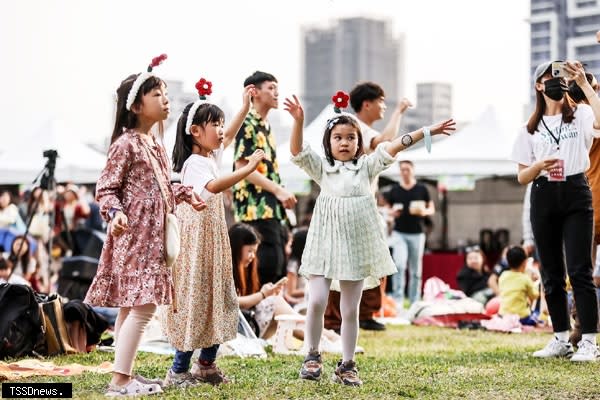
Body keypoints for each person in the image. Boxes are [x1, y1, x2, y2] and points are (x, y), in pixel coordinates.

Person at [284, 93, 455, 386]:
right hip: (324, 244)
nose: (345, 142)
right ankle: (312, 356)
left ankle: (347, 364)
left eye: (351, 137)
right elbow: (297, 150)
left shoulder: (366, 167)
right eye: (338, 137)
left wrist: (428, 131)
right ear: (329, 142)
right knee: (316, 302)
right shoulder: (322, 168)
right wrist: (298, 121)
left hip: (356, 247)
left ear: (358, 142)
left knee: (351, 310)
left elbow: (394, 145)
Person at [84, 55, 206, 396]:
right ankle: (119, 381)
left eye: (166, 93)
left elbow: (163, 185)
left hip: (154, 236)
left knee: (131, 307)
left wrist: (184, 194)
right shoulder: (125, 144)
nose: (166, 99)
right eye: (158, 94)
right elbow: (106, 189)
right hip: (135, 237)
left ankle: (124, 375)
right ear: (136, 105)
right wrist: (115, 213)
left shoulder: (155, 144)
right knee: (144, 306)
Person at [160, 79, 264, 387]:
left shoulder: (209, 156)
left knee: (220, 299)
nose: (220, 130)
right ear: (195, 132)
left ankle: (206, 365)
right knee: (196, 301)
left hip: (213, 241)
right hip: (196, 245)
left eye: (220, 123)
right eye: (214, 124)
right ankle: (179, 370)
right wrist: (249, 168)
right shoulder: (194, 163)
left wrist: (244, 107)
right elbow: (214, 187)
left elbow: (229, 136)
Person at [511, 60, 600, 361]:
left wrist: (585, 85)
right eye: (549, 76)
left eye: (559, 74)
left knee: (580, 270)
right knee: (550, 270)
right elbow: (522, 175)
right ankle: (560, 337)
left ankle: (589, 340)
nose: (555, 80)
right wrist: (538, 166)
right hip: (543, 191)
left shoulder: (582, 114)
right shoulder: (529, 127)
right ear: (538, 85)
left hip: (576, 190)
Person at [323, 82, 413, 332]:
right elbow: (385, 141)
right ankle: (339, 317)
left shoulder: (355, 127)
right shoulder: (355, 127)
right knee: (348, 262)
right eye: (382, 102)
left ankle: (362, 313)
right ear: (367, 104)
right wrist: (400, 110)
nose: (384, 106)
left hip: (362, 207)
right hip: (350, 207)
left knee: (369, 260)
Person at [232, 71, 297, 285]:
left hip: (271, 208)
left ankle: (271, 316)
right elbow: (242, 167)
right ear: (254, 92)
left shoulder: (267, 125)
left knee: (278, 267)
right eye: (271, 88)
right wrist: (278, 190)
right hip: (255, 209)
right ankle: (256, 316)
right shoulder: (246, 122)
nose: (277, 93)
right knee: (265, 268)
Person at [229, 223, 341, 346]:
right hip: (239, 330)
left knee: (278, 304)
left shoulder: (245, 271)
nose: (252, 257)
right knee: (275, 302)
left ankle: (325, 337)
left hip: (247, 324)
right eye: (249, 251)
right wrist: (263, 294)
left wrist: (267, 294)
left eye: (254, 252)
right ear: (236, 249)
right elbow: (233, 301)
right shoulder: (227, 272)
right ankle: (325, 339)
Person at [384, 160, 434, 307]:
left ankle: (414, 300)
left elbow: (431, 208)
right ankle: (398, 299)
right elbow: (387, 209)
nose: (405, 172)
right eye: (402, 169)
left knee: (415, 270)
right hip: (399, 233)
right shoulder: (394, 190)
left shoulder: (422, 189)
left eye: (407, 169)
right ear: (400, 172)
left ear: (413, 170)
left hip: (417, 233)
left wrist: (424, 211)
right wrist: (391, 212)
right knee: (399, 264)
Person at [498, 246, 540, 326]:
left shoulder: (503, 275)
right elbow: (535, 295)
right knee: (537, 313)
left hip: (503, 315)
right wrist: (535, 283)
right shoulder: (525, 278)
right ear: (524, 263)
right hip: (521, 317)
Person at [284, 227, 308, 306]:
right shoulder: (293, 264)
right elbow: (291, 292)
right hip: (294, 304)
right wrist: (310, 292)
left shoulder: (303, 262)